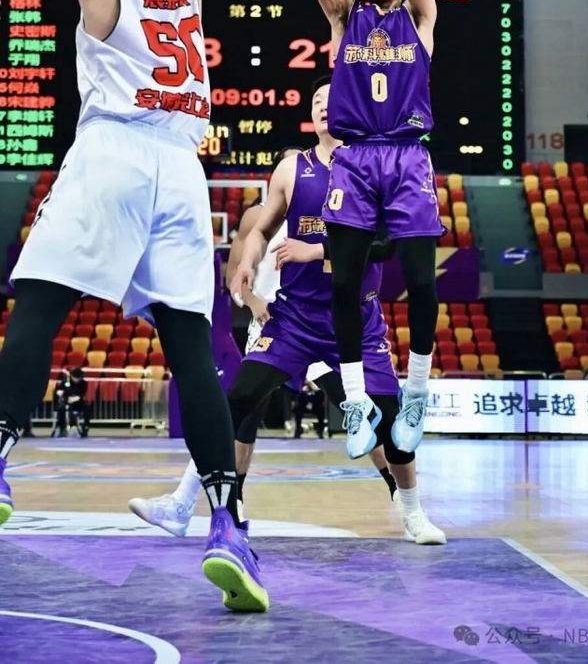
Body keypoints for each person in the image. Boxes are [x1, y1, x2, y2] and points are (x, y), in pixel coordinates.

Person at [0, 0, 278, 612]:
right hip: (183, 173)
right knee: (190, 349)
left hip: (114, 155)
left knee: (40, 302)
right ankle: (227, 525)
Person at [130, 82, 444, 546]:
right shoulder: (292, 168)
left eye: (332, 100)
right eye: (316, 102)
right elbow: (260, 230)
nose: (323, 107)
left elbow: (385, 246)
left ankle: (412, 511)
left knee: (390, 421)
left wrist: (317, 251)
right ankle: (182, 502)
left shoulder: (376, 166)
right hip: (295, 318)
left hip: (355, 322)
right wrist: (248, 261)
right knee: (238, 400)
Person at [297, 0, 442, 458]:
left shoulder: (420, 19)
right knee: (345, 284)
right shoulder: (344, 18)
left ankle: (417, 392)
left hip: (406, 155)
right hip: (354, 158)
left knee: (422, 282)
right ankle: (356, 402)